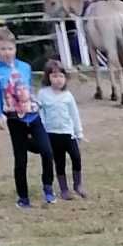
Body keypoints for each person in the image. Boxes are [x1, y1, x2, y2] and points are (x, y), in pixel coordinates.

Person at [0, 28, 54, 208]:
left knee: (46, 151)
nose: (7, 53)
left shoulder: (25, 67)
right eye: (3, 49)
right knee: (20, 159)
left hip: (32, 115)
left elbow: (29, 88)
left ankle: (48, 187)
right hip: (15, 119)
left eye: (10, 48)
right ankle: (23, 198)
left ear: (15, 48)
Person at [35, 61, 86, 200]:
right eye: (54, 76)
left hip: (68, 133)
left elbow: (74, 114)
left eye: (61, 76)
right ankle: (64, 189)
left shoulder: (68, 96)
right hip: (52, 134)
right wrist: (42, 131)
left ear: (65, 78)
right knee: (59, 162)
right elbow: (40, 113)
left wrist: (78, 132)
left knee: (76, 157)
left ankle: (78, 185)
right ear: (48, 77)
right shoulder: (43, 94)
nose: (58, 79)